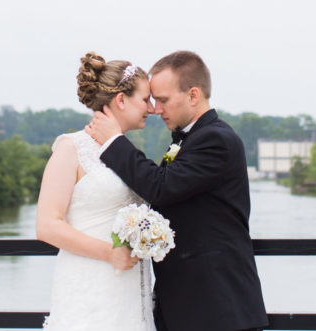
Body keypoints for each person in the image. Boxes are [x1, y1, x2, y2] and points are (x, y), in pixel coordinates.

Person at [87, 50, 269, 331]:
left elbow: (160, 187)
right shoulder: (191, 139)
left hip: (218, 310)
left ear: (193, 95)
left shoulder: (216, 140)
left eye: (162, 100)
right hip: (190, 308)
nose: (156, 109)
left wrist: (113, 141)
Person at [36, 52, 157, 331]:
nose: (151, 108)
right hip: (90, 288)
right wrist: (109, 252)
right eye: (145, 99)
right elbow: (46, 226)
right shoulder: (71, 148)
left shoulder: (126, 153)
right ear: (121, 100)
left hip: (130, 294)